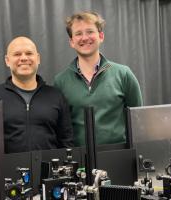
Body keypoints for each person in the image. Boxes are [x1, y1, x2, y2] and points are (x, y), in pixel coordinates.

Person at [54, 11, 143, 146]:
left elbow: (137, 122)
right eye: (78, 33)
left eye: (90, 31)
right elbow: (61, 129)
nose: (84, 38)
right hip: (79, 161)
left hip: (119, 156)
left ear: (101, 36)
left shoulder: (124, 74)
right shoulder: (60, 81)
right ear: (71, 41)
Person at [0, 36, 73, 153]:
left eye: (29, 53)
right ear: (7, 60)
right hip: (7, 170)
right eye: (17, 54)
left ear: (38, 58)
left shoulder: (56, 96)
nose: (24, 58)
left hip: (49, 170)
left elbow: (66, 141)